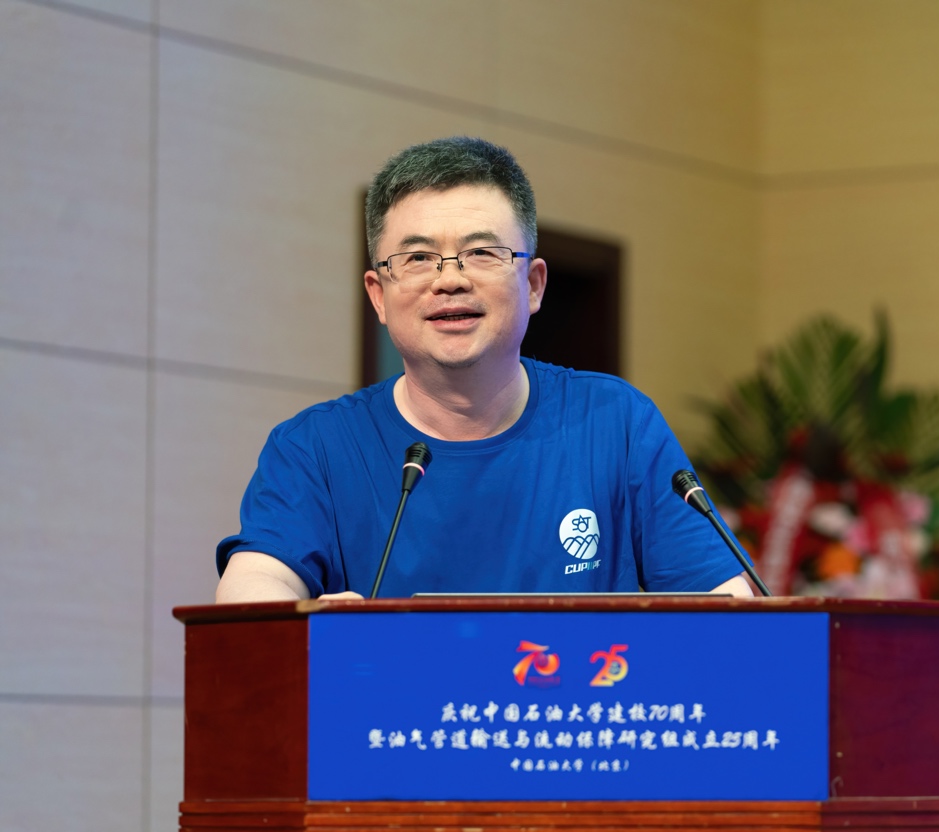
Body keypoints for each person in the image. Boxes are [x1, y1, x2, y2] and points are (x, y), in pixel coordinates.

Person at [215, 137, 750, 602]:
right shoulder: (316, 447)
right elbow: (256, 581)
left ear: (533, 285)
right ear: (378, 296)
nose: (449, 280)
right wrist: (300, 622)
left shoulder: (615, 422)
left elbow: (723, 598)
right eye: (418, 258)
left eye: (481, 253)